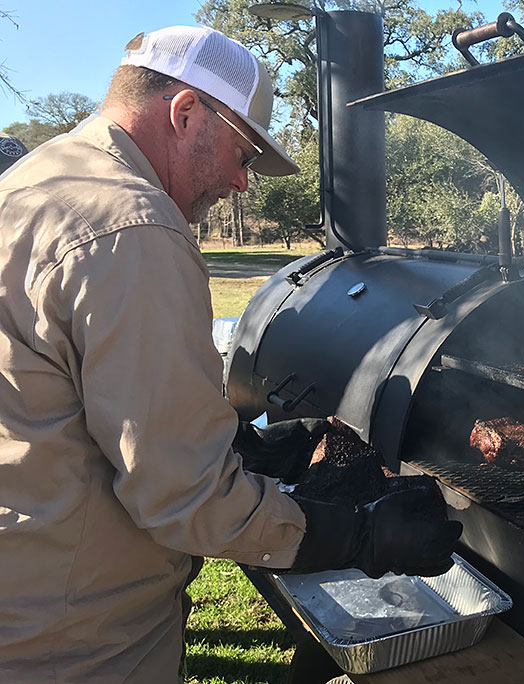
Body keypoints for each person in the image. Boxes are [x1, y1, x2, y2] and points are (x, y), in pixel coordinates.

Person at [0, 25, 461, 684]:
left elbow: (72, 397)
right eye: (244, 154)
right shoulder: (135, 229)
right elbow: (183, 498)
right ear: (186, 112)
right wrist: (359, 537)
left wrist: (241, 448)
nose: (242, 183)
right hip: (73, 639)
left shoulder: (40, 179)